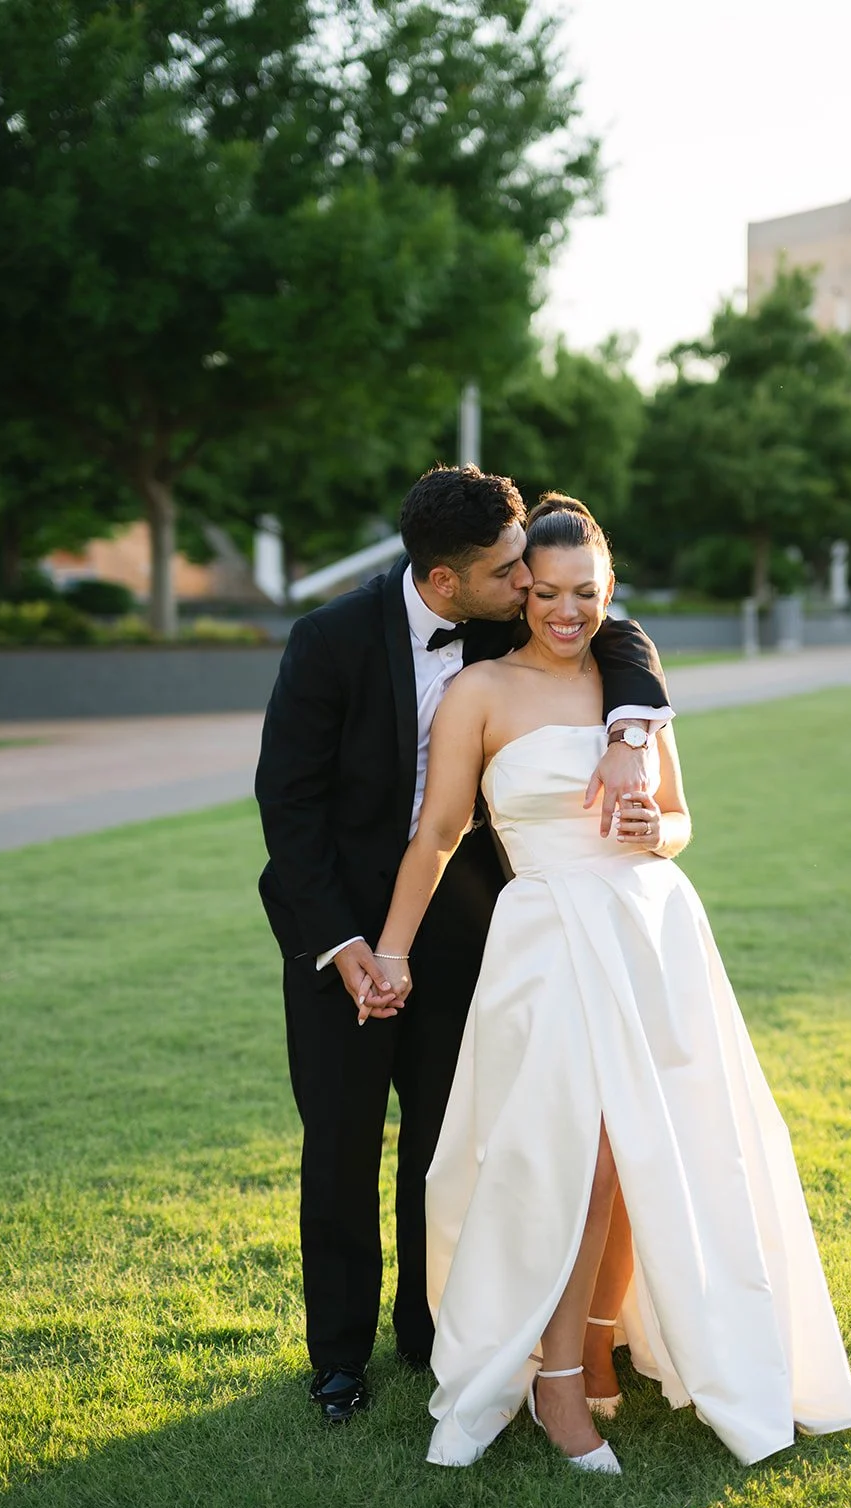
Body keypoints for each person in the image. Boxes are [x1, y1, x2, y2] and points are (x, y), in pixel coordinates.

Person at [364, 493, 851, 1472]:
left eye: (588, 593)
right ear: (520, 589)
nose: (567, 611)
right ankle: (556, 1381)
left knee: (644, 1143)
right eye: (549, 591)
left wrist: (661, 832)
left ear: (610, 592)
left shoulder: (628, 685)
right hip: (549, 936)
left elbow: (680, 815)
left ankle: (595, 1339)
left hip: (649, 930)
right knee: (577, 1150)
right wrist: (391, 949)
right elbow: (437, 834)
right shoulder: (481, 692)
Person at [254, 467, 671, 1424]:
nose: (527, 585)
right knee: (343, 1141)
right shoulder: (326, 642)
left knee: (451, 1141)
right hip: (345, 929)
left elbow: (617, 629)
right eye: (508, 573)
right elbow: (290, 805)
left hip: (472, 926)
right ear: (446, 582)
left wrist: (628, 724)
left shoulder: (510, 611)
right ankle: (338, 1359)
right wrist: (344, 944)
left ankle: (430, 1327)